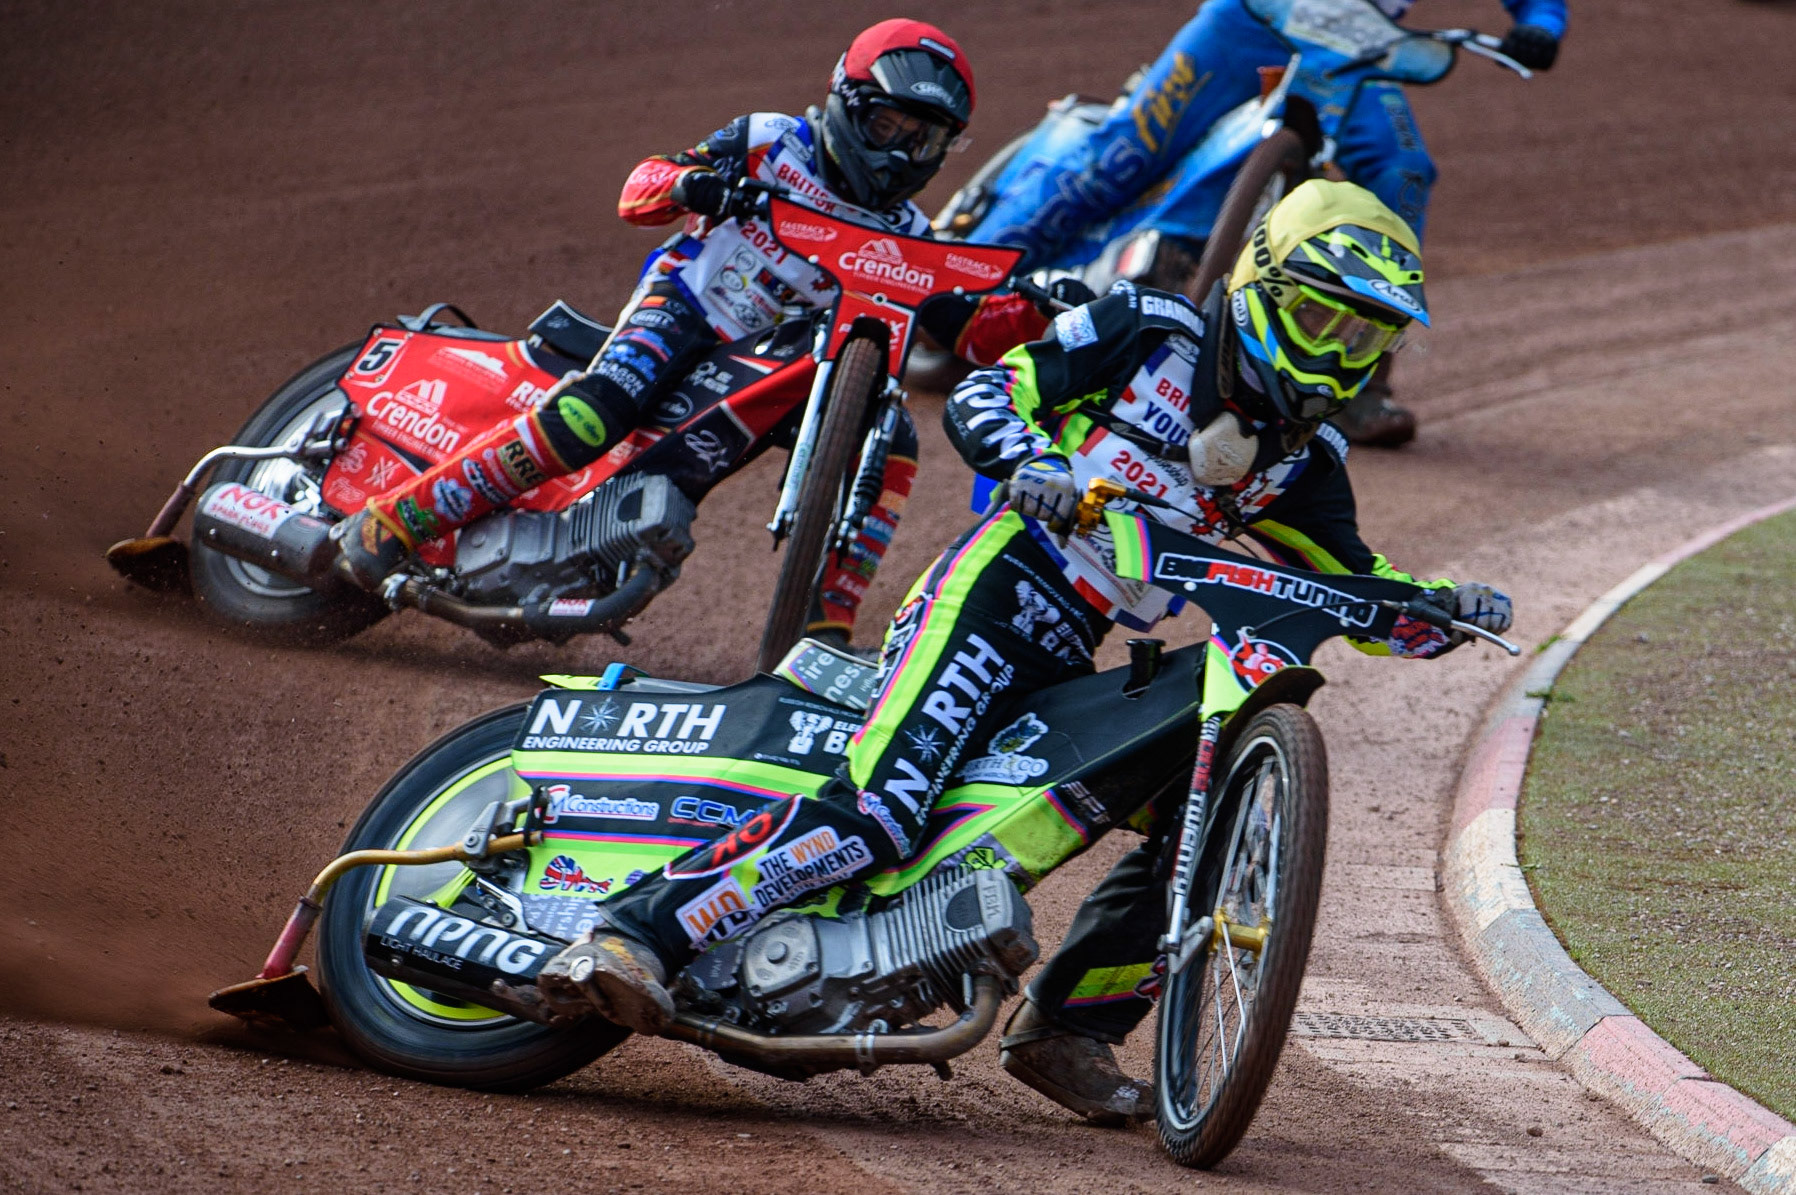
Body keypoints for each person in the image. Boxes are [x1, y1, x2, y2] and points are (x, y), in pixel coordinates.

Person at [536, 180, 1513, 1124]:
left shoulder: (1304, 461)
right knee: (880, 810)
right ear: (1263, 283)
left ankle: (1068, 1029)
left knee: (1199, 810)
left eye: (1365, 338)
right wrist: (1033, 462)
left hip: (1074, 649)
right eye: (1324, 320)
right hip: (995, 590)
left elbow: (1355, 587)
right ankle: (635, 932)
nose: (1339, 356)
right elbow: (988, 394)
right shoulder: (1151, 331)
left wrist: (1438, 608)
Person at [333, 19, 1049, 645]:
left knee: (892, 438)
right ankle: (395, 520)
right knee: (595, 413)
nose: (898, 153)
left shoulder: (911, 237)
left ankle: (824, 633)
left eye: (922, 139)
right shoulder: (770, 142)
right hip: (684, 308)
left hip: (776, 366)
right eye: (886, 127)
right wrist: (688, 185)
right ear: (845, 102)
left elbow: (972, 334)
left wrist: (1051, 311)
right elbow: (639, 188)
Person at [971, 0, 1566, 448]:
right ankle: (964, 279)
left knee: (1403, 171)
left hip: (1357, 53)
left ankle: (1364, 380)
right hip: (1250, 21)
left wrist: (1541, 21)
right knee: (1124, 155)